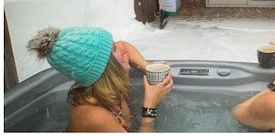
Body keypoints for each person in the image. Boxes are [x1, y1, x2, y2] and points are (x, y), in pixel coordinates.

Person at [26, 27, 173, 132]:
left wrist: (148, 68)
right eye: (114, 49)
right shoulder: (91, 116)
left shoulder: (108, 84)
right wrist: (149, 108)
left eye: (114, 43)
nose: (121, 49)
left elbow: (124, 46)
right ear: (104, 69)